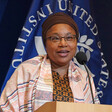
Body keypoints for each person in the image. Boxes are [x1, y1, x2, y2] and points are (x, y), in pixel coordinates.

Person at [0, 12, 100, 111]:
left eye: (69, 38)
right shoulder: (27, 70)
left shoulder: (84, 78)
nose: (63, 44)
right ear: (45, 44)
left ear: (76, 42)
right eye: (55, 38)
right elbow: (6, 109)